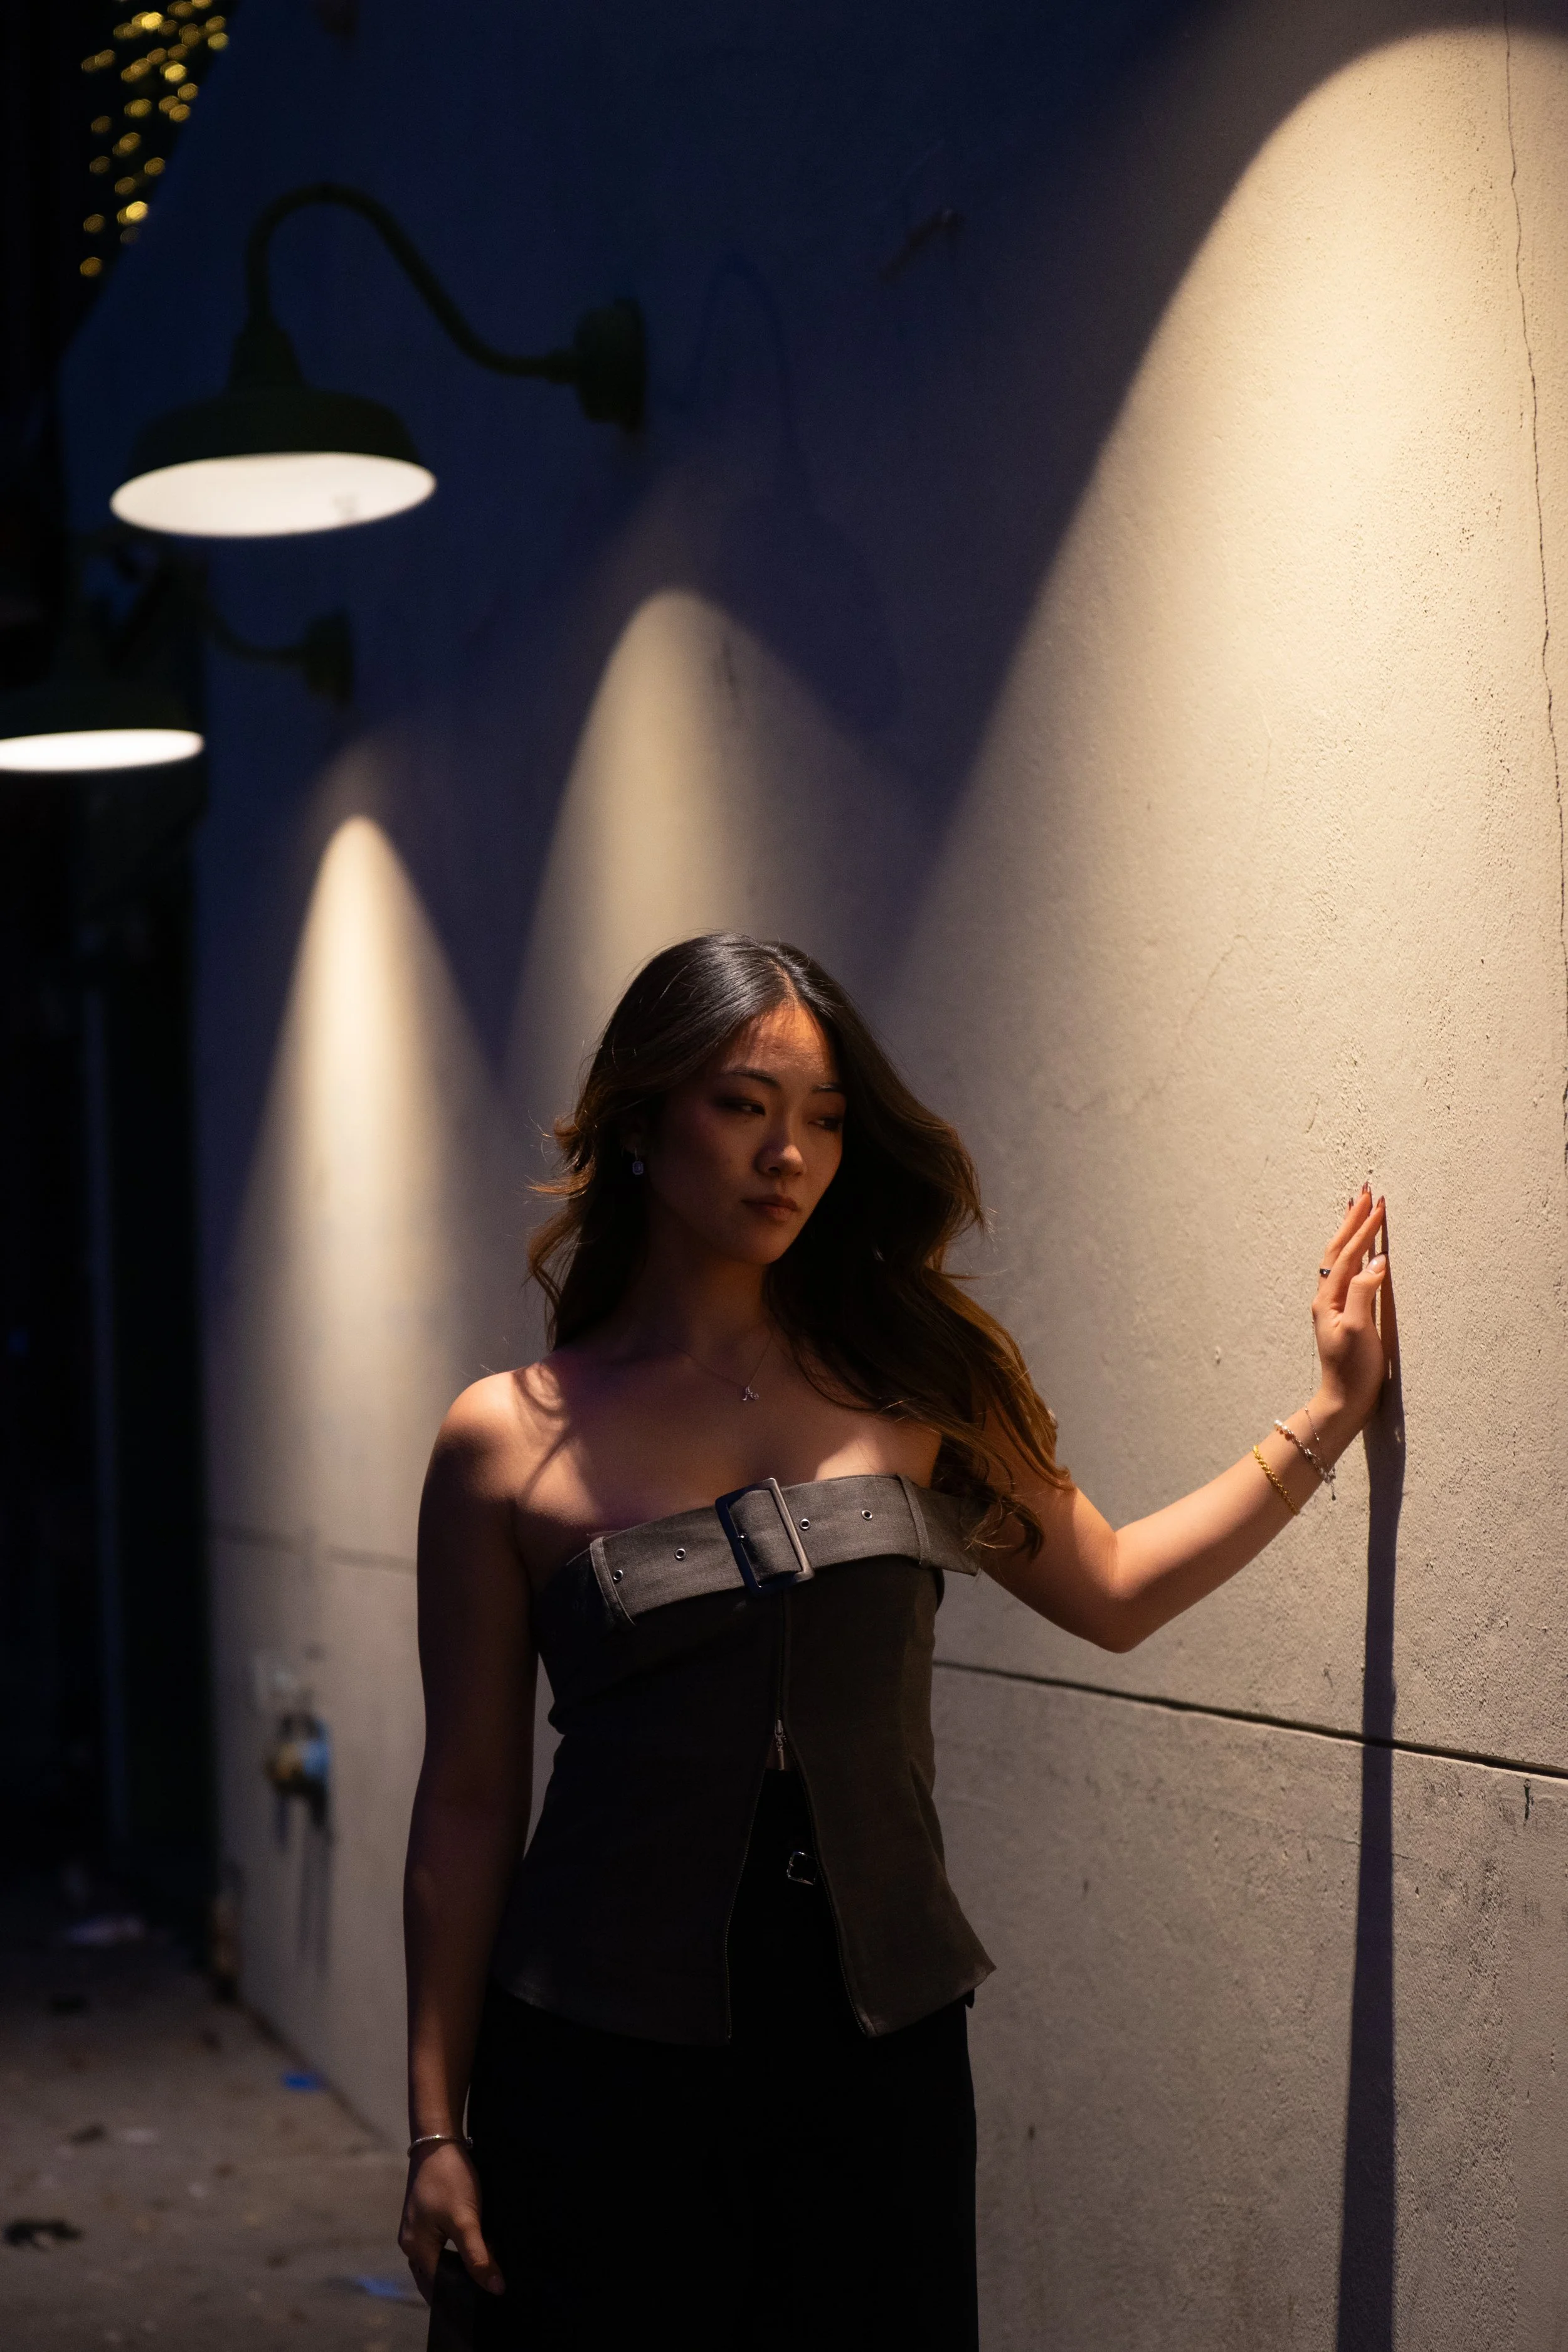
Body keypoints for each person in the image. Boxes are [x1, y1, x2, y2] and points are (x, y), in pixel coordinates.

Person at [398, 931, 1391, 2349]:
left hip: (876, 2043)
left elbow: (1114, 1588)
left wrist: (1326, 1417)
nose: (787, 1155)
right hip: (595, 2048)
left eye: (822, 1119)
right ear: (640, 1120)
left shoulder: (912, 1380)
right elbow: (468, 1799)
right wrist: (436, 2126)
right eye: (742, 1105)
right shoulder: (504, 1435)